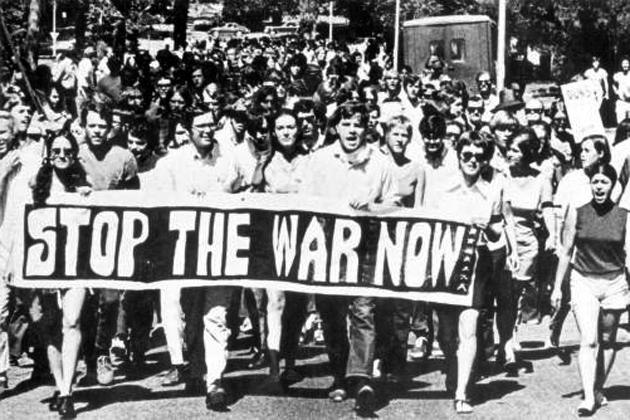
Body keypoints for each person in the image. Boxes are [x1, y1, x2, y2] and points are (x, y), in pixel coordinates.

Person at [301, 101, 400, 414]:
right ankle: (339, 376)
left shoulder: (380, 162)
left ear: (366, 127)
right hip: (329, 248)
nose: (352, 130)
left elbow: (395, 201)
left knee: (363, 310)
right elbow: (306, 202)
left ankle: (362, 379)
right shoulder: (319, 160)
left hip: (367, 247)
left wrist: (372, 203)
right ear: (335, 127)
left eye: (358, 124)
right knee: (330, 313)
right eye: (345, 124)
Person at [151, 107, 241, 411]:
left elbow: (241, 197)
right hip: (182, 254)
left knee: (216, 314)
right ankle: (190, 365)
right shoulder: (170, 165)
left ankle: (215, 381)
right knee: (183, 313)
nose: (206, 129)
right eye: (199, 124)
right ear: (186, 128)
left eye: (210, 124)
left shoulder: (229, 162)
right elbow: (160, 206)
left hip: (219, 251)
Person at [425, 131, 503, 414]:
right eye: (467, 155)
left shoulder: (492, 190)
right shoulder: (442, 187)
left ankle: (462, 393)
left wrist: (488, 226)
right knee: (446, 334)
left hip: (476, 263)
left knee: (469, 326)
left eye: (478, 156)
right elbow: (426, 222)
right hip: (445, 263)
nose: (472, 161)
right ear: (458, 156)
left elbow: (497, 231)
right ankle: (452, 366)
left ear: (485, 160)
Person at [551, 163, 630, 416]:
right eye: (595, 182)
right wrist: (556, 288)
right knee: (589, 340)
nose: (599, 187)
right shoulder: (579, 212)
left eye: (604, 182)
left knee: (608, 341)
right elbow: (565, 251)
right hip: (583, 280)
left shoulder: (624, 216)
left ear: (612, 186)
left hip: (614, 283)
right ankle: (587, 397)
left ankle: (598, 387)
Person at [31, 130, 92, 419]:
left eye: (67, 151)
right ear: (48, 153)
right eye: (56, 151)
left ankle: (67, 391)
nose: (61, 156)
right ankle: (59, 382)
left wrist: (88, 199)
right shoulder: (35, 184)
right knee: (50, 327)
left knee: (72, 320)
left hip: (76, 265)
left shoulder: (84, 184)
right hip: (43, 264)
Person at [613, 57, 630, 124]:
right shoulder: (618, 75)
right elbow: (613, 84)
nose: (625, 65)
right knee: (620, 124)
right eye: (623, 63)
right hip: (621, 102)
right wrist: (616, 92)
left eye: (627, 63)